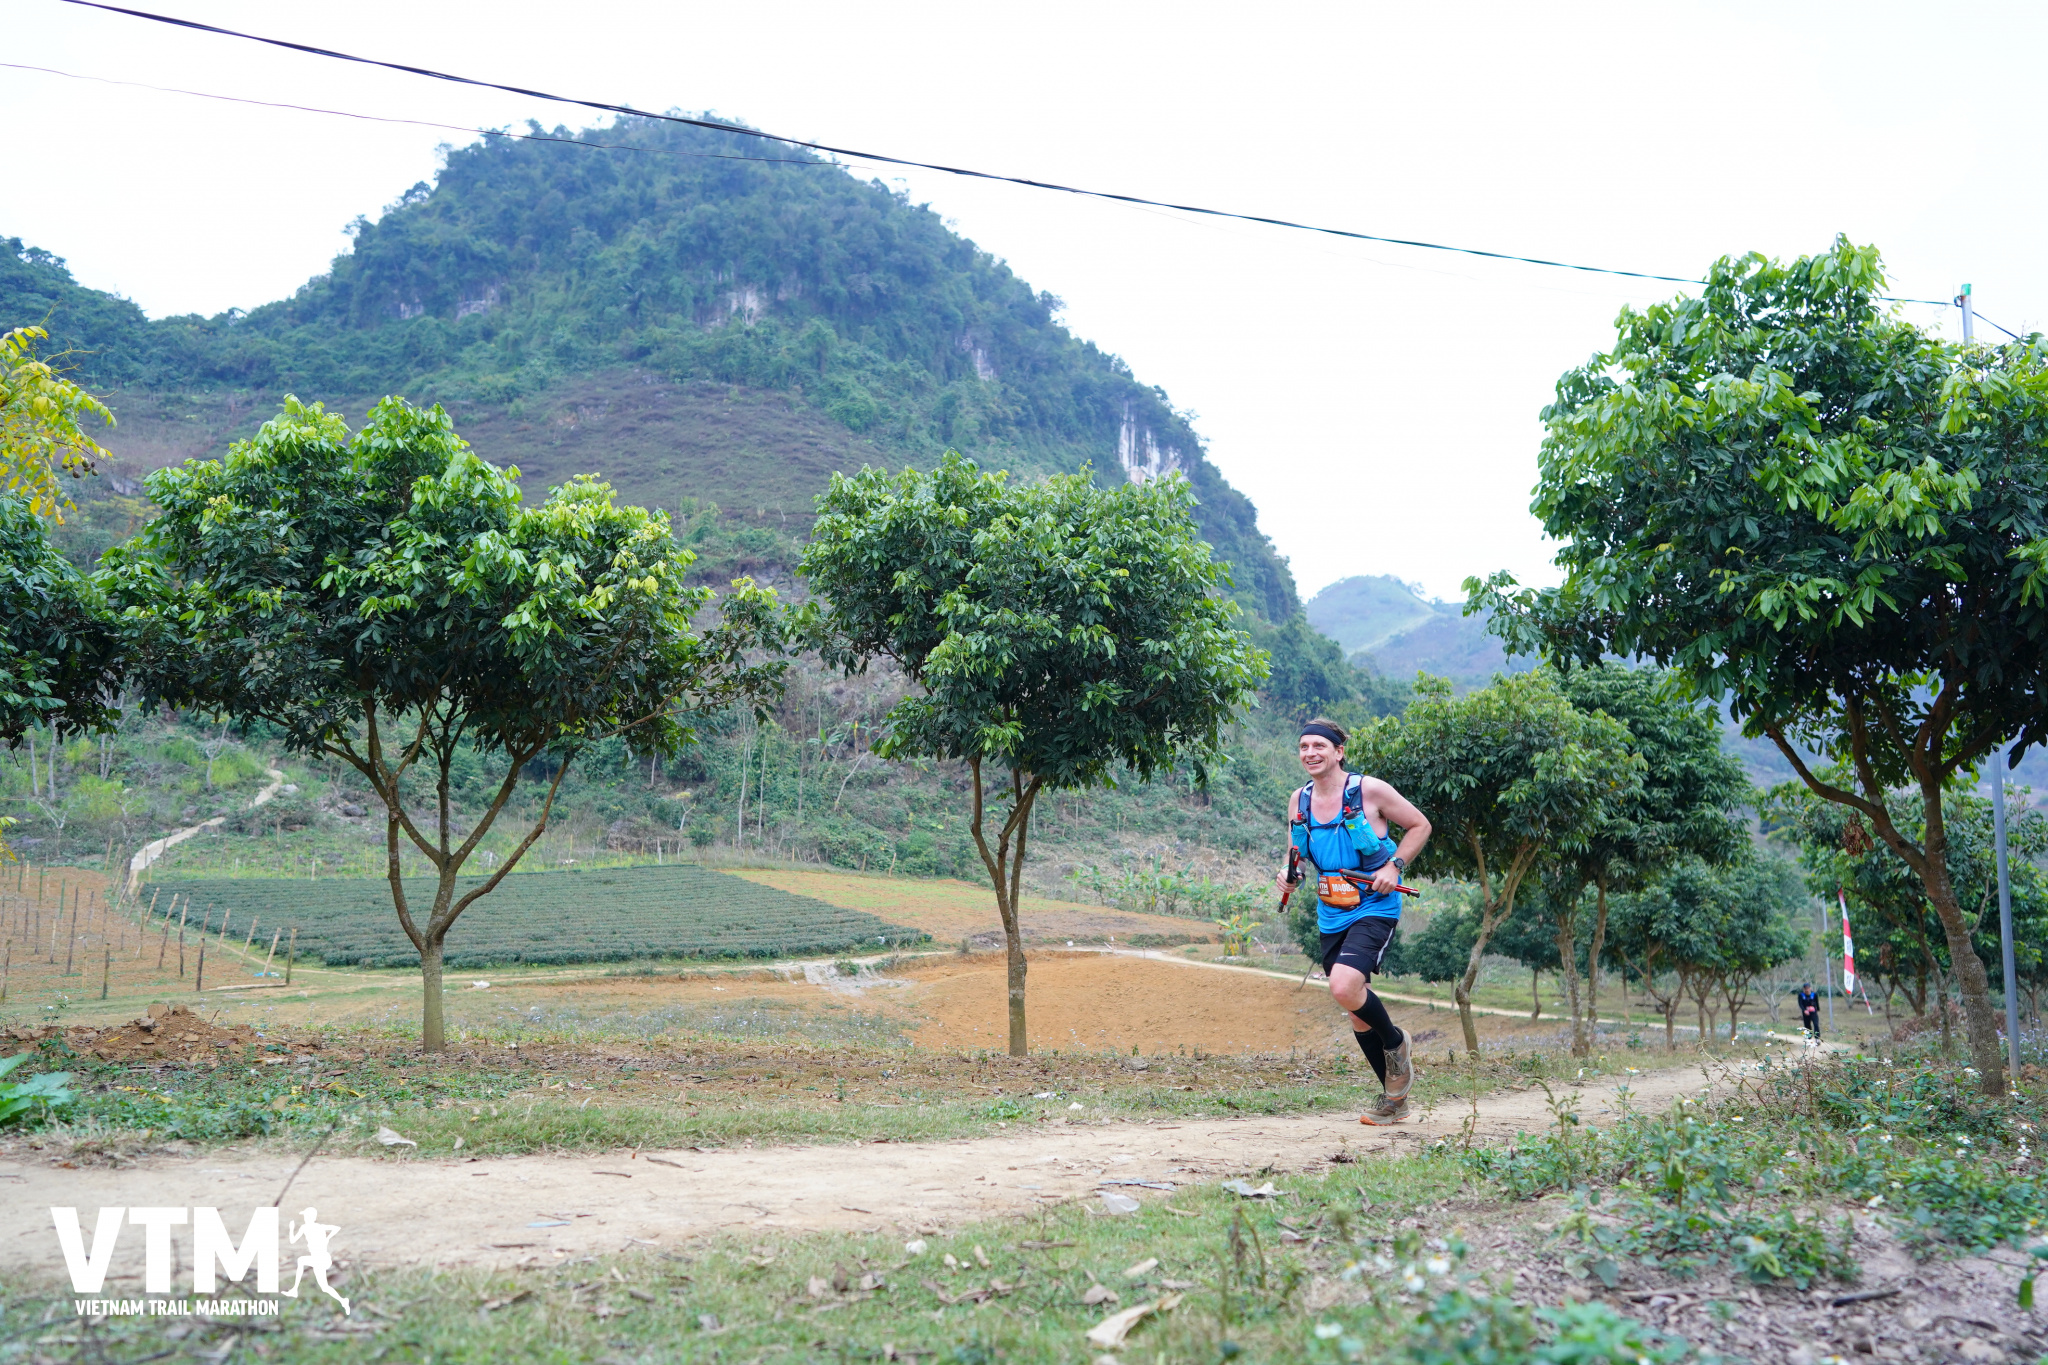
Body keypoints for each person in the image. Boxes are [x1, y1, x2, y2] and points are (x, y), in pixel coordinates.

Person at [1277, 717, 1432, 1124]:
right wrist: (1289, 876)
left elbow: (1420, 825)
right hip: (1331, 910)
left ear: (1339, 752)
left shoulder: (1369, 790)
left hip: (1374, 905)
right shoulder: (1299, 800)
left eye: (1319, 746)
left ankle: (1396, 1043)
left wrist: (1395, 866)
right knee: (1355, 1009)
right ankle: (1394, 1101)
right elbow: (1297, 858)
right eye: (1304, 746)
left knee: (1344, 986)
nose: (1310, 753)